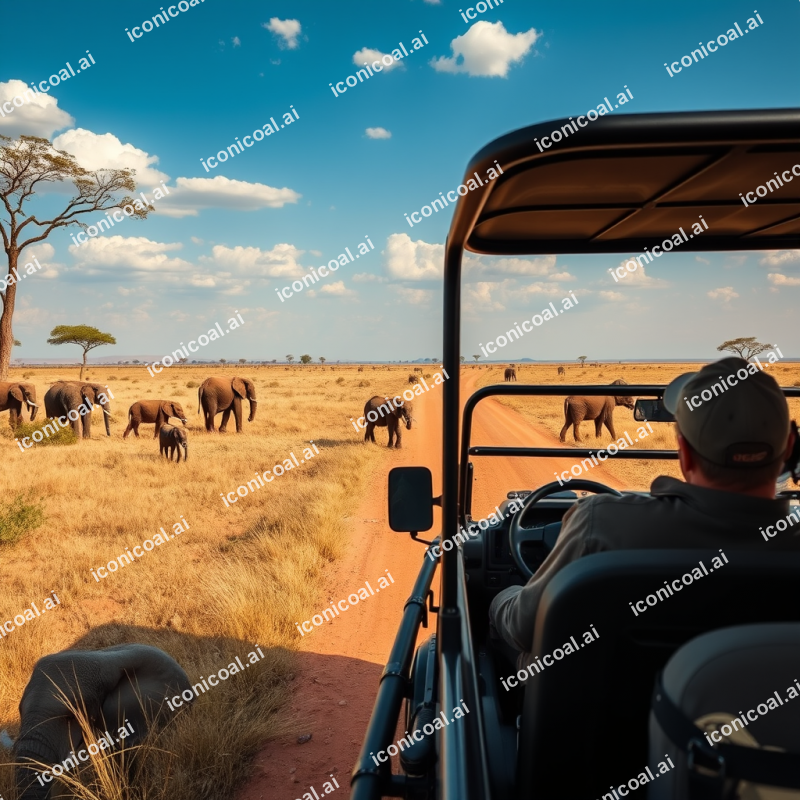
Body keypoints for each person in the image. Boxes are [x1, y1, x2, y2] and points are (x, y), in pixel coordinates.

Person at [489, 357, 798, 666]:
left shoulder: (600, 522)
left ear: (684, 453)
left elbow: (521, 628)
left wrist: (501, 598)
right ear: (791, 447)